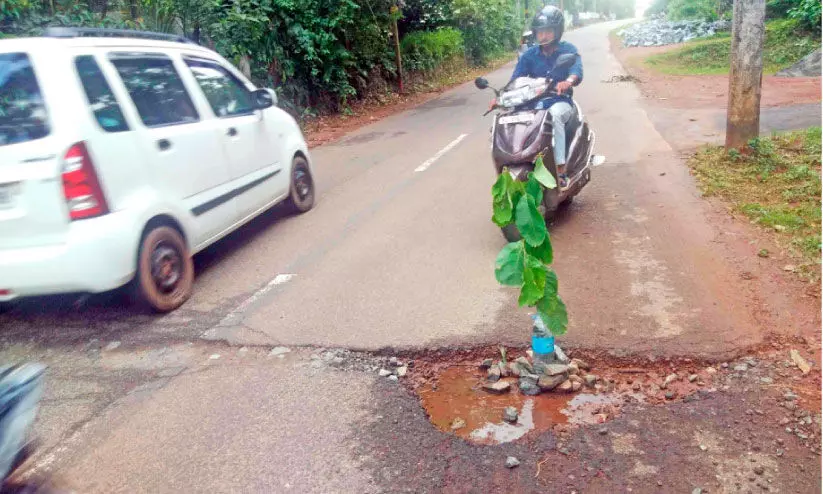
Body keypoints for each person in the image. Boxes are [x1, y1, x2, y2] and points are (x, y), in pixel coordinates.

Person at [509, 6, 583, 189]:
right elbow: (515, 80)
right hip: (533, 104)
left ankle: (560, 170)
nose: (543, 36)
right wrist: (502, 97)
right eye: (540, 32)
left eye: (548, 31)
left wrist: (568, 81)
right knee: (511, 120)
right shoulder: (529, 55)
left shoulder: (568, 50)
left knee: (554, 116)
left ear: (557, 31)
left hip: (559, 101)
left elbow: (576, 70)